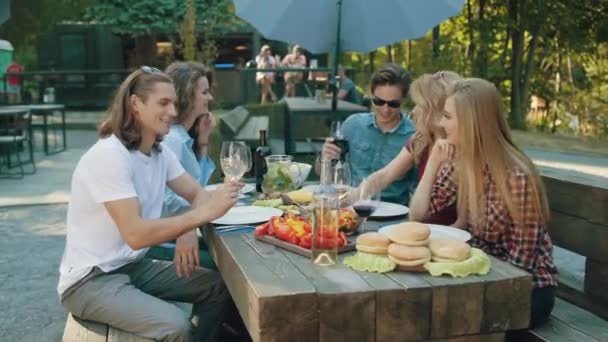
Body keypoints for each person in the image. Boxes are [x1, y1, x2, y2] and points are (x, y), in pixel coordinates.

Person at [58, 66, 242, 341]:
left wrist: (195, 221)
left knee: (218, 287)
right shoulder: (110, 156)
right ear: (135, 104)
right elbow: (135, 234)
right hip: (90, 281)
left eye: (174, 104)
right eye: (163, 103)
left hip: (132, 267)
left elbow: (198, 195)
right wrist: (197, 218)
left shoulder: (160, 152)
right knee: (175, 326)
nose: (173, 113)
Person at [409, 78, 558, 328]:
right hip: (483, 277)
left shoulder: (516, 176)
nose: (440, 123)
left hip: (527, 291)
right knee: (417, 310)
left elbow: (521, 265)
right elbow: (419, 215)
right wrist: (434, 162)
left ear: (471, 122)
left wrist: (471, 290)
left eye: (447, 116)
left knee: (436, 320)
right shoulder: (461, 161)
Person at [143, 61, 217, 270]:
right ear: (187, 96)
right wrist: (189, 225)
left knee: (227, 256)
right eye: (204, 92)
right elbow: (165, 200)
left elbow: (195, 189)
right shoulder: (171, 140)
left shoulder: (181, 137)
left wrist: (202, 143)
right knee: (226, 268)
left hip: (173, 233)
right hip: (158, 242)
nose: (210, 98)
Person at [363, 71, 462, 225]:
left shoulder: (459, 151)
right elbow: (385, 175)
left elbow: (462, 220)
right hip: (420, 229)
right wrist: (348, 200)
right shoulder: (421, 139)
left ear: (437, 111)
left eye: (421, 105)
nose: (414, 111)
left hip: (448, 236)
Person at [318, 63, 417, 204]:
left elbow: (417, 187)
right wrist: (324, 159)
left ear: (404, 100)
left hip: (392, 212)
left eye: (393, 104)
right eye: (379, 101)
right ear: (371, 95)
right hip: (351, 206)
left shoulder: (414, 135)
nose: (385, 109)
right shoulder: (353, 124)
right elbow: (326, 173)